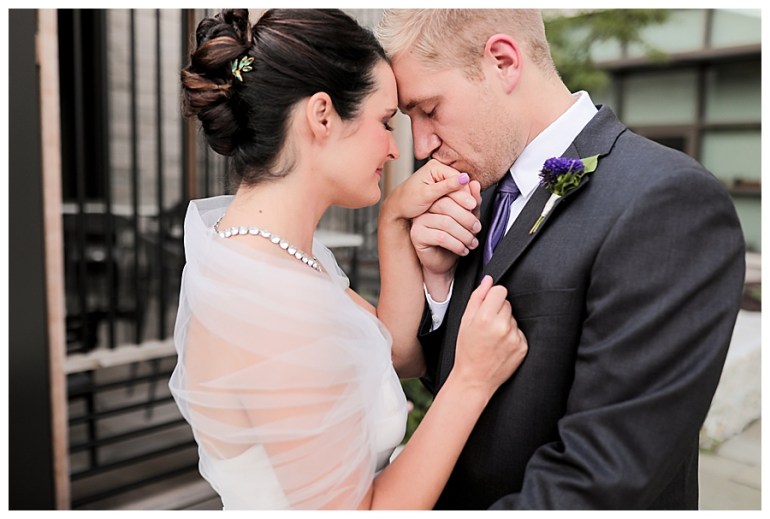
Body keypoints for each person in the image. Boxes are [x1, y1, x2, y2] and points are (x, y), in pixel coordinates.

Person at [375, 8, 746, 510]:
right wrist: (440, 287)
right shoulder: (475, 195)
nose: (422, 144)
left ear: (503, 62)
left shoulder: (667, 199)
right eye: (409, 118)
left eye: (430, 109)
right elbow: (455, 383)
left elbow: (605, 475)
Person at [168, 8, 527, 510]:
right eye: (385, 121)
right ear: (322, 116)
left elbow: (393, 353)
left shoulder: (275, 255)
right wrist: (470, 381)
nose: (398, 149)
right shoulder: (274, 303)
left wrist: (393, 223)